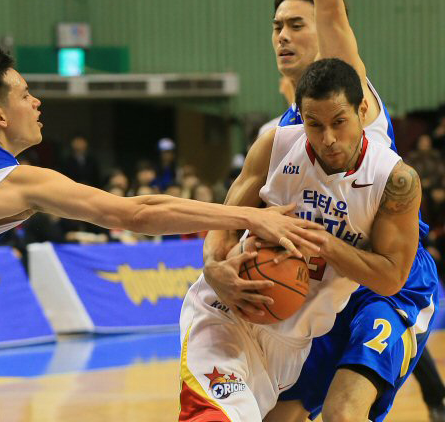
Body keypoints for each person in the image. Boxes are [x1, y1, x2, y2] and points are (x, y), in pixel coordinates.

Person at [0, 50, 324, 422]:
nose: (37, 103)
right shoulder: (13, 179)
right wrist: (251, 218)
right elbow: (138, 212)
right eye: (26, 94)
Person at [207, 0, 443, 419]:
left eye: (297, 24)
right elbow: (232, 211)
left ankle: (435, 396)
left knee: (343, 412)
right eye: (277, 26)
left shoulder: (357, 100)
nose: (283, 36)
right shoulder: (283, 134)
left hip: (387, 282)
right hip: (324, 288)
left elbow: (332, 5)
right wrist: (217, 263)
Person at [179, 57, 438, 422]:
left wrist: (326, 243)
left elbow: (391, 279)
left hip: (327, 318)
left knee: (343, 413)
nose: (327, 139)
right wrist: (214, 267)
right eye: (314, 124)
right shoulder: (276, 146)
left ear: (362, 110)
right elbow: (226, 222)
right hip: (255, 313)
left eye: (339, 122)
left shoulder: (395, 180)